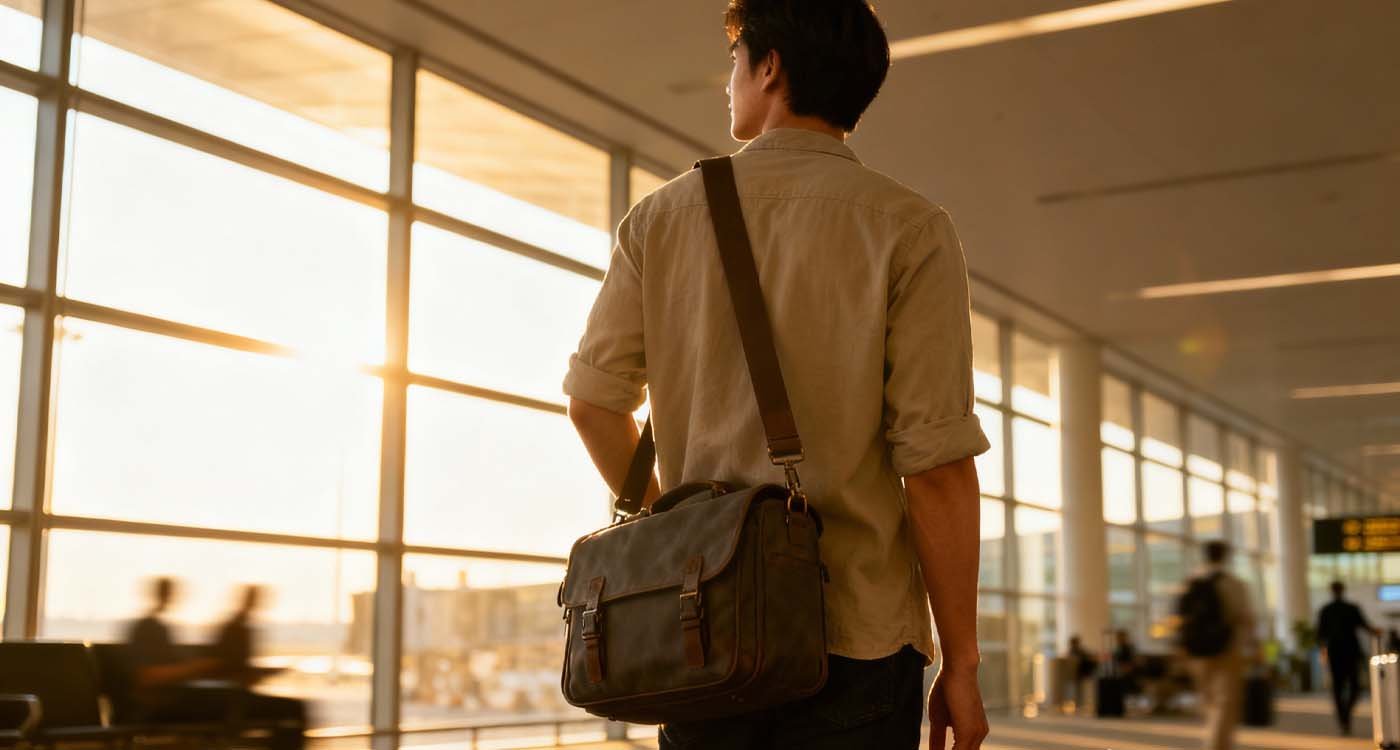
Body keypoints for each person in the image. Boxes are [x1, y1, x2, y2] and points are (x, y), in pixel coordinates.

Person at [564, 1, 990, 747]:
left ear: (770, 67)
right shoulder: (910, 228)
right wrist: (962, 660)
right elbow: (936, 466)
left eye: (735, 61)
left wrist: (688, 538)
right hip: (853, 638)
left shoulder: (659, 220)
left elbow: (594, 405)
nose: (727, 81)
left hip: (703, 634)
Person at [1179, 541, 1256, 750]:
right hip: (1228, 648)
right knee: (1226, 701)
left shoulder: (1191, 582)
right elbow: (1245, 618)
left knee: (1208, 699)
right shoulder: (1234, 584)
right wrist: (1253, 646)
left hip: (1197, 651)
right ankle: (1217, 744)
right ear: (1225, 556)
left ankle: (1214, 738)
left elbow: (1182, 617)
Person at [1316, 581, 1380, 736]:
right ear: (1342, 590)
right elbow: (1365, 626)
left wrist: (1323, 652)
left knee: (1338, 688)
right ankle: (1345, 716)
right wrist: (1377, 632)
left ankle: (1343, 718)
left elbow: (1320, 635)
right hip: (1351, 652)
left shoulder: (1326, 610)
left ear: (1332, 591)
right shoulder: (1350, 608)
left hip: (1335, 653)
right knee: (1354, 687)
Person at [1066, 635, 1098, 712]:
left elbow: (1089, 658)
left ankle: (1082, 705)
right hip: (1078, 675)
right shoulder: (1073, 652)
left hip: (1082, 674)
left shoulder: (1081, 652)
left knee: (1083, 692)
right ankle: (1079, 705)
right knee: (1078, 692)